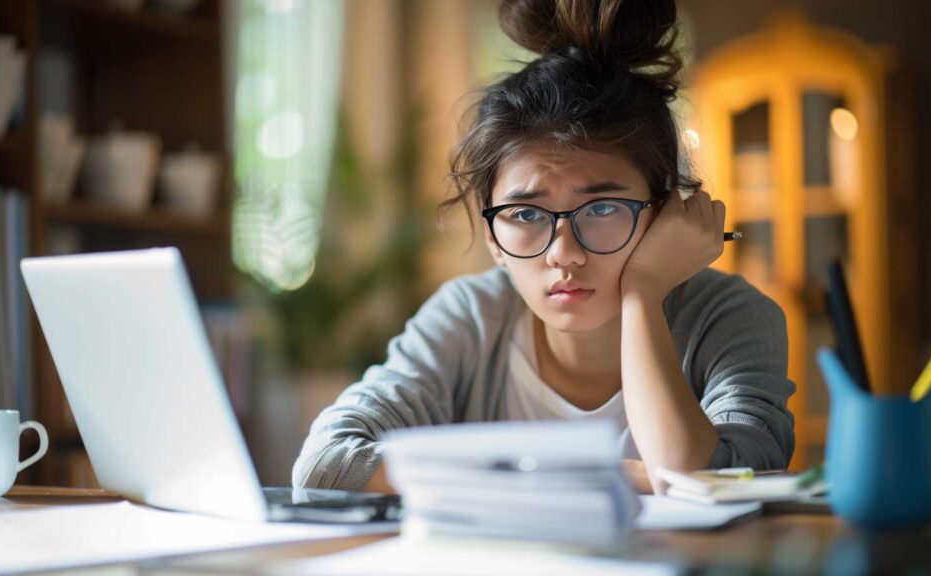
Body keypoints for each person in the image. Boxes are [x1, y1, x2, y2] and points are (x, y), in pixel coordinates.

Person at [292, 0, 795, 495]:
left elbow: (707, 478)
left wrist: (643, 291)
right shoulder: (470, 318)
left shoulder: (730, 318)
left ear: (663, 215)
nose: (564, 253)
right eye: (526, 215)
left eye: (601, 210)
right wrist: (611, 479)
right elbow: (328, 464)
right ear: (493, 239)